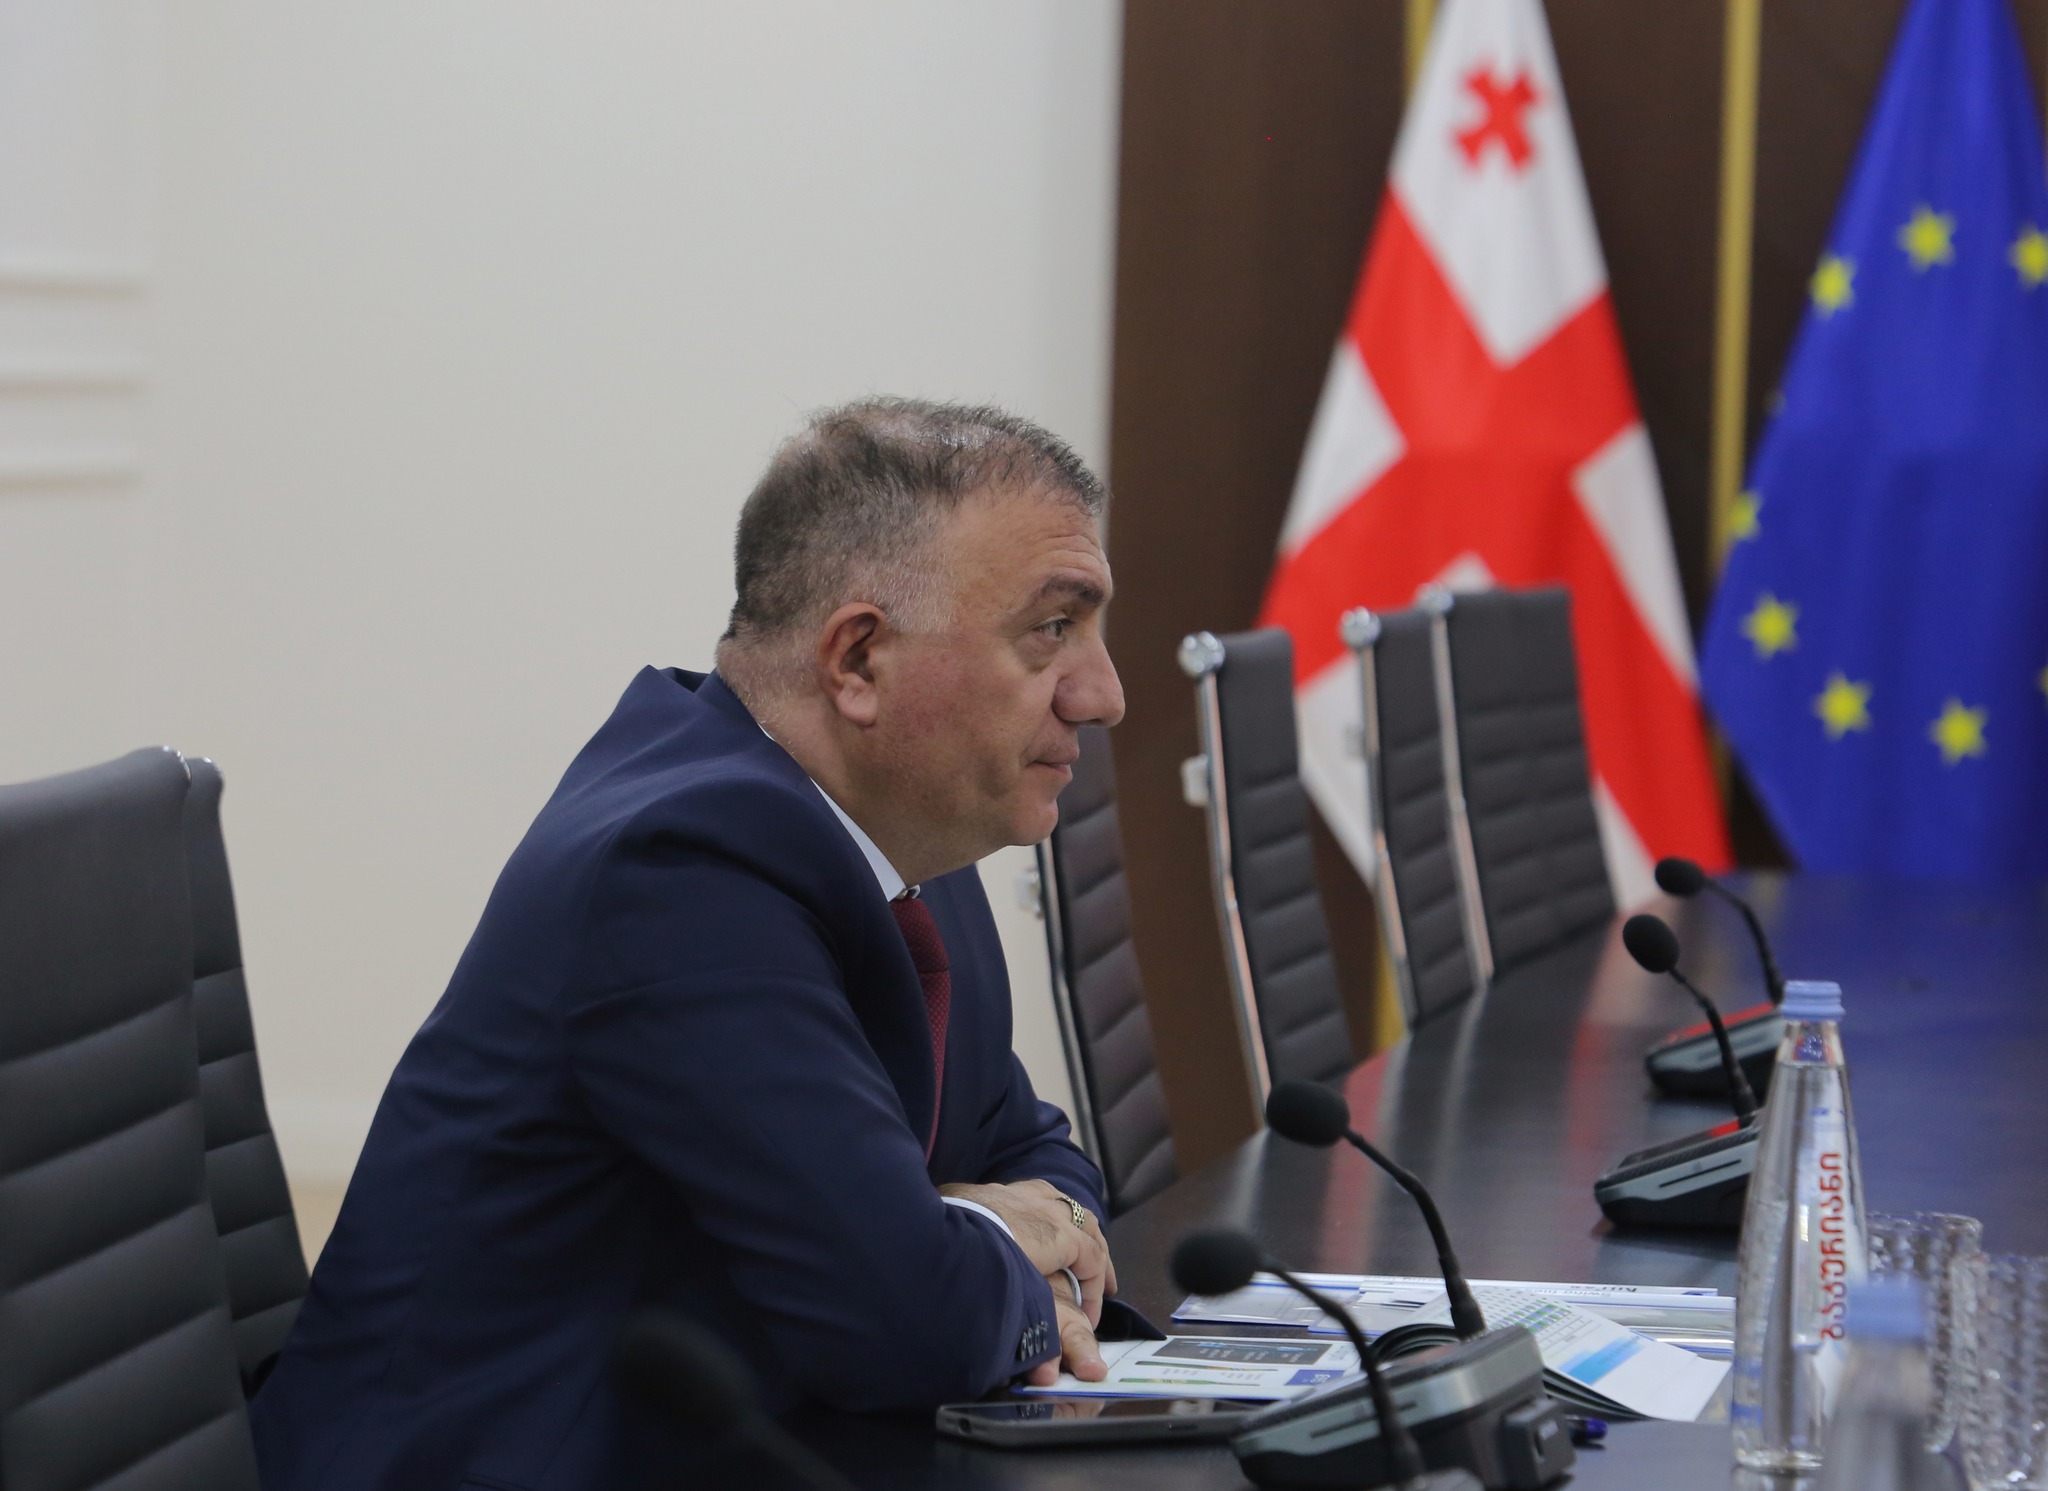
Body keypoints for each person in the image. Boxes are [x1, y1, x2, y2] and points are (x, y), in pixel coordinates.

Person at [250, 399, 1132, 1489]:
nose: (1103, 695)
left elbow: (1030, 1149)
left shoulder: (906, 840)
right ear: (858, 659)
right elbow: (904, 1322)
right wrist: (969, 1242)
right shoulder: (681, 869)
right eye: (1052, 629)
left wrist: (983, 1231)